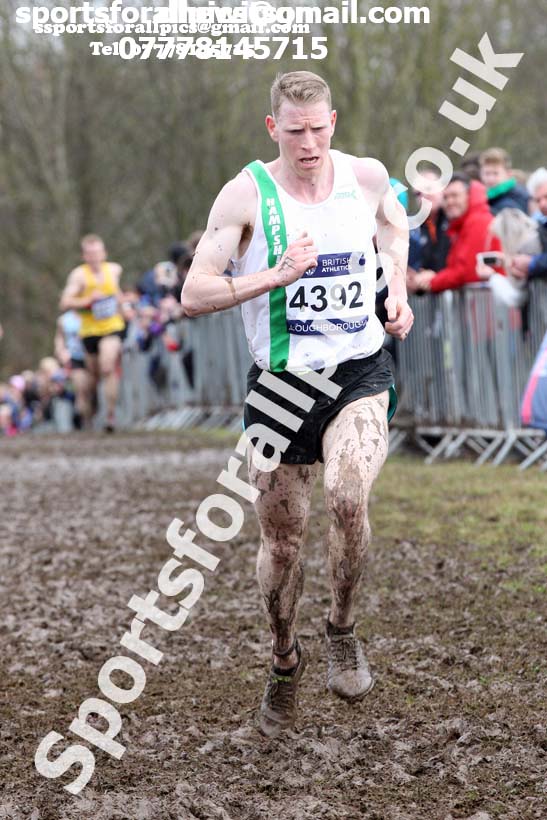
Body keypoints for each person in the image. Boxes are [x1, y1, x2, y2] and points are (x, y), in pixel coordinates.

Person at [181, 71, 412, 738]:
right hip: (280, 387)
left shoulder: (364, 177)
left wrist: (396, 288)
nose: (307, 143)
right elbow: (195, 293)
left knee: (347, 497)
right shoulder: (244, 194)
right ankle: (284, 657)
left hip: (358, 370)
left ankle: (341, 627)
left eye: (318, 129)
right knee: (282, 543)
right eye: (294, 130)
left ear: (332, 122)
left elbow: (394, 230)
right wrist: (275, 276)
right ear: (271, 128)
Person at [59, 234, 125, 431]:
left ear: (104, 253)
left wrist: (124, 305)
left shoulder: (114, 270)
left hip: (112, 326)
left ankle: (110, 416)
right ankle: (93, 405)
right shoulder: (79, 276)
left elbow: (116, 293)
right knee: (94, 377)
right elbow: (65, 302)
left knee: (107, 367)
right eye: (90, 253)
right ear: (84, 256)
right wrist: (87, 301)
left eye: (98, 252)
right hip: (88, 332)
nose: (95, 257)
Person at [413, 173, 502, 293]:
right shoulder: (459, 226)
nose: (449, 202)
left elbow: (467, 271)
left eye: (455, 196)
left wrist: (433, 281)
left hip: (490, 303)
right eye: (446, 197)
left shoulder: (478, 222)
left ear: (468, 195)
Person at [54, 310, 93, 428]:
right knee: (81, 388)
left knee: (90, 389)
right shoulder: (64, 319)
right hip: (75, 357)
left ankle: (91, 415)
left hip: (91, 356)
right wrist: (61, 351)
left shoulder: (92, 314)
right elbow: (59, 339)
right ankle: (84, 421)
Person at [479, 147, 530, 216]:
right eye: (487, 173)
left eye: (495, 173)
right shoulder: (487, 198)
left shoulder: (517, 197)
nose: (490, 178)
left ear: (508, 174)